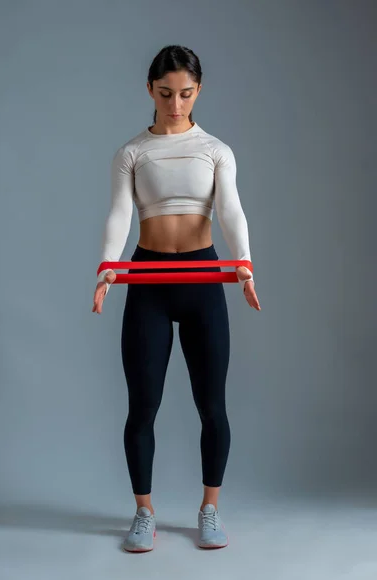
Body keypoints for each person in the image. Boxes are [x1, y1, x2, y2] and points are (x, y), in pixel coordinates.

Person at [92, 45, 261, 553]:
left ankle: (210, 508)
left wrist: (245, 263)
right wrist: (106, 267)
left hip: (203, 278)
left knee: (213, 405)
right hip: (146, 281)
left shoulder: (216, 149)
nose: (176, 104)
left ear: (198, 91)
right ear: (150, 89)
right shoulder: (131, 152)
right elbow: (120, 214)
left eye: (186, 94)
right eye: (166, 94)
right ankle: (144, 513)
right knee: (143, 407)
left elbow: (230, 209)